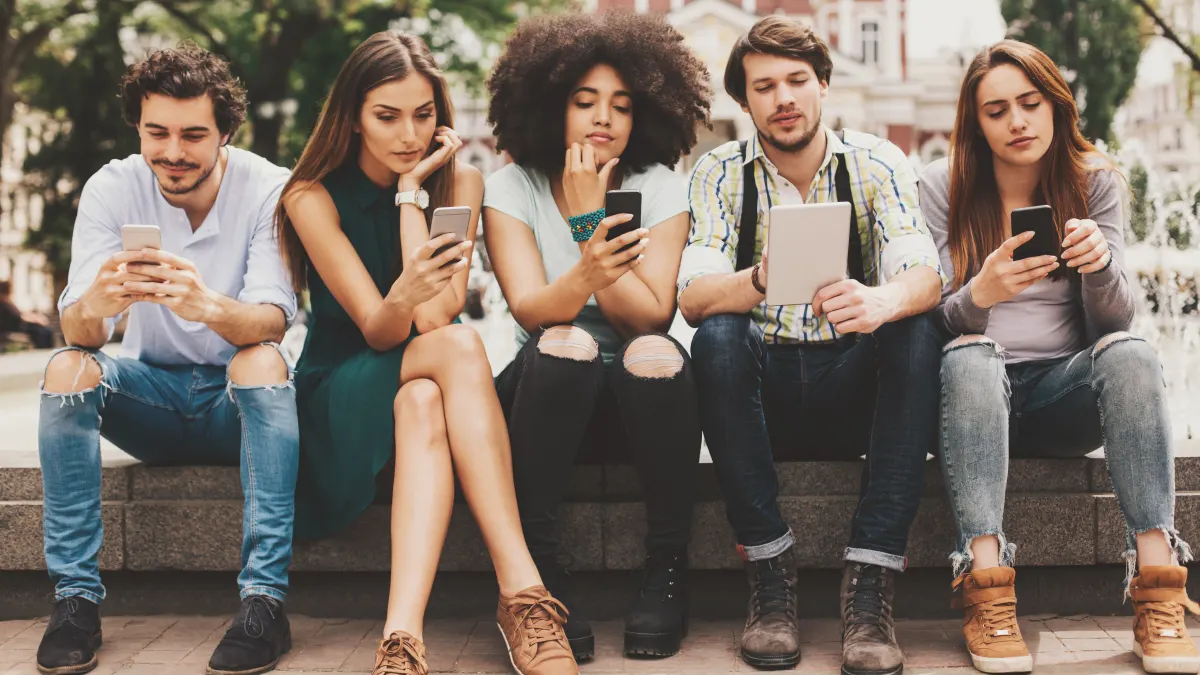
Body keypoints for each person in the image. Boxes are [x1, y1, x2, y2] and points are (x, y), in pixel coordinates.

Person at [279, 31, 576, 675]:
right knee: (459, 347)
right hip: (341, 390)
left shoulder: (460, 181)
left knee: (422, 398)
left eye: (423, 114)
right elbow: (382, 330)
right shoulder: (310, 196)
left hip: (429, 382)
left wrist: (413, 195)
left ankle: (401, 639)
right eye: (387, 116)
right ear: (353, 118)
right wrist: (408, 243)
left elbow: (436, 315)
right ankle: (523, 590)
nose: (409, 135)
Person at [922, 39, 1199, 675]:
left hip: (1059, 398)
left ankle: (1159, 590)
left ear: (1055, 105)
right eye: (996, 111)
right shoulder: (942, 185)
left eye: (1030, 103)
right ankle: (986, 592)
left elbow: (1115, 324)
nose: (1017, 122)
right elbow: (932, 322)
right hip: (969, 405)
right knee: (968, 355)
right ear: (975, 122)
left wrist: (1099, 268)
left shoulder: (1093, 181)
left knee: (1132, 353)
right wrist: (981, 294)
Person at [677, 16, 945, 673]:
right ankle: (769, 571)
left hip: (850, 385)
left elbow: (924, 271)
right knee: (719, 333)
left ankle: (872, 579)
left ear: (824, 83)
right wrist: (757, 279)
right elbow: (692, 298)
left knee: (916, 323)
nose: (784, 98)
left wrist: (881, 301)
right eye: (764, 86)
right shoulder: (719, 172)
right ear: (743, 102)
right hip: (762, 399)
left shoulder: (877, 161)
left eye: (797, 80)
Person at [36, 44, 299, 675]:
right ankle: (75, 602)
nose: (173, 151)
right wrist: (98, 303)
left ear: (225, 133)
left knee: (263, 361)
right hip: (150, 399)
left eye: (193, 135)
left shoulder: (270, 187)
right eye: (157, 133)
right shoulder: (113, 186)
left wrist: (206, 305)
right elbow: (78, 330)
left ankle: (264, 602)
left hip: (237, 406)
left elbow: (274, 318)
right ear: (138, 128)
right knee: (66, 368)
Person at [482, 12, 712, 661]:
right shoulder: (512, 187)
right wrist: (590, 250)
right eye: (584, 102)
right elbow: (532, 311)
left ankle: (667, 570)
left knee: (654, 351)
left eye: (622, 104)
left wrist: (589, 217)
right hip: (547, 396)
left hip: (641, 404)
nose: (603, 117)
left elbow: (649, 316)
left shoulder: (660, 187)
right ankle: (542, 574)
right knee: (566, 342)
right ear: (552, 104)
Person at [0, 280, 55, 349]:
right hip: (17, 327)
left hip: (19, 325)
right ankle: (43, 348)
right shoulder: (4, 303)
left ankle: (46, 348)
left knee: (45, 330)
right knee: (42, 331)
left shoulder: (7, 302)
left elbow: (19, 314)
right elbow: (17, 317)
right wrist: (34, 320)